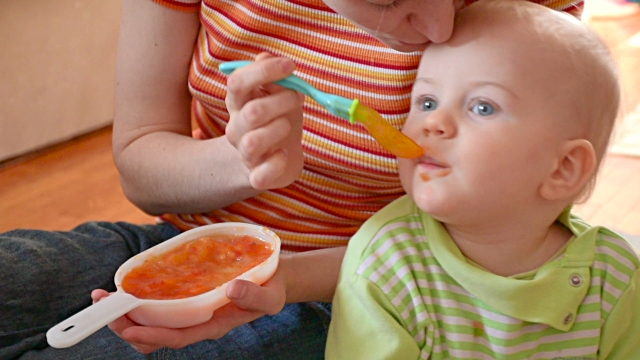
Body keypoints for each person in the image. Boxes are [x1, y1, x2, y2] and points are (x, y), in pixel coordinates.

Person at [0, 0, 586, 359]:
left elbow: (493, 242)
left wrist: (293, 280)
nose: (439, 26)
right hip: (178, 242)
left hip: (352, 299)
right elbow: (141, 163)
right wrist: (241, 162)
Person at [325, 0, 640, 358]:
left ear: (563, 168)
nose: (433, 122)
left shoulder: (614, 280)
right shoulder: (385, 263)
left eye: (482, 107)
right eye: (426, 102)